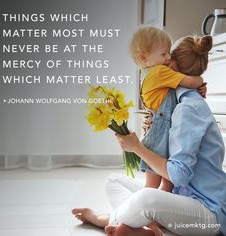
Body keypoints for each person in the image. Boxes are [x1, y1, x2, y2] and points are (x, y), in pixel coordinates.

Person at [72, 35, 226, 236]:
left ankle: (106, 219)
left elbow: (179, 175)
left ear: (170, 64)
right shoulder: (175, 103)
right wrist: (154, 129)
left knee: (147, 198)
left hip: (208, 216)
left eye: (166, 56)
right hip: (182, 197)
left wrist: (137, 147)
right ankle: (146, 229)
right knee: (114, 181)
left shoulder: (189, 109)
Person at [129, 26, 204, 192]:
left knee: (163, 182)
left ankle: (157, 209)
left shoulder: (146, 73)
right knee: (155, 184)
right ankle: (143, 211)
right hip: (161, 133)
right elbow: (191, 82)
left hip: (160, 129)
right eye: (163, 54)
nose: (169, 57)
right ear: (144, 57)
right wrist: (200, 79)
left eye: (169, 52)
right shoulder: (159, 72)